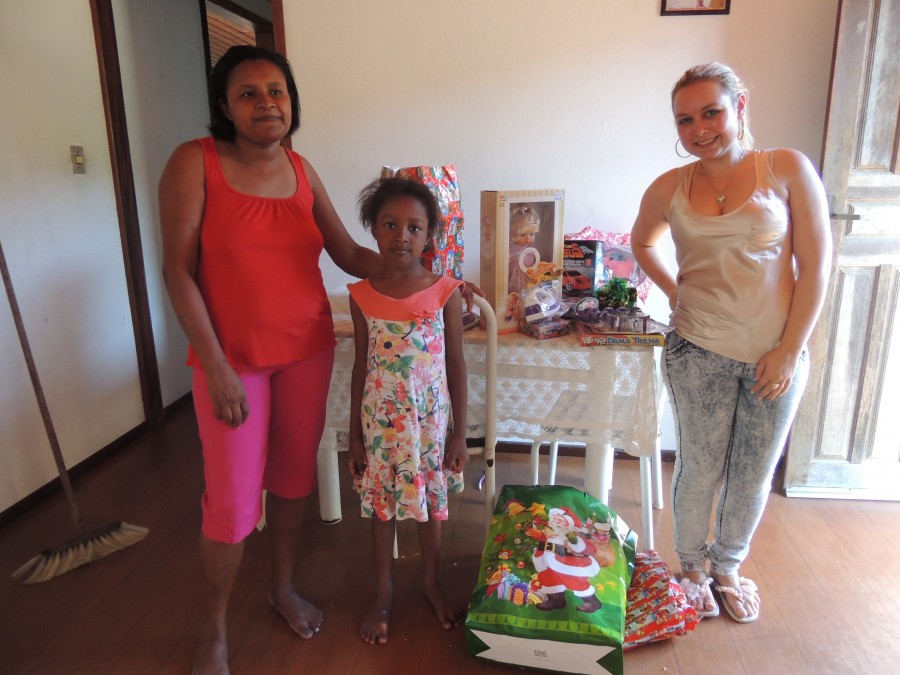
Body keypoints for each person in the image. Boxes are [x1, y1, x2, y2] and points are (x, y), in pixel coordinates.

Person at [158, 45, 384, 674]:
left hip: (307, 353)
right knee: (232, 504)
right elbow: (177, 271)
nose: (266, 103)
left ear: (292, 102)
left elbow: (347, 254)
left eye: (276, 91)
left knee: (292, 482)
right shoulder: (195, 162)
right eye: (249, 93)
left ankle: (281, 587)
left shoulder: (300, 167)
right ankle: (213, 630)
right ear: (224, 106)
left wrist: (425, 274)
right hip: (231, 364)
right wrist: (215, 366)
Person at [630, 63, 831, 623]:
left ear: (739, 105)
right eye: (685, 119)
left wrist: (790, 350)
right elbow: (641, 243)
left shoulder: (786, 168)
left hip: (775, 355)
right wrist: (677, 291)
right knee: (699, 467)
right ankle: (692, 569)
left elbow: (817, 266)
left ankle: (728, 568)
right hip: (698, 351)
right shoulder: (670, 187)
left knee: (753, 472)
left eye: (711, 112)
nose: (699, 129)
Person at [347, 177, 469, 645]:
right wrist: (354, 437)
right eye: (390, 225)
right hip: (379, 426)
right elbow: (361, 364)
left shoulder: (446, 291)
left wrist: (460, 434)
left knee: (429, 506)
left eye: (414, 227)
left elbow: (456, 364)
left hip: (430, 427)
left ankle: (432, 582)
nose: (402, 236)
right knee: (382, 510)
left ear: (429, 234)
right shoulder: (361, 294)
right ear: (373, 230)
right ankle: (383, 591)